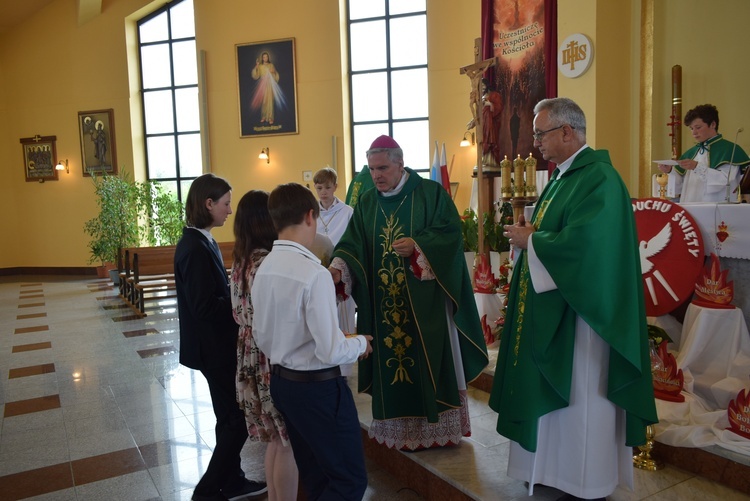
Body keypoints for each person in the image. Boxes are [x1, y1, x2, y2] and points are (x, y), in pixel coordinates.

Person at [489, 98, 658, 500]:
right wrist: (530, 239)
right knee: (558, 406)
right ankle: (550, 470)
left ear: (568, 132)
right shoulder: (564, 178)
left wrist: (534, 240)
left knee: (582, 398)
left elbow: (590, 247)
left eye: (540, 133)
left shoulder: (599, 178)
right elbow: (553, 237)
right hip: (558, 309)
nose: (535, 143)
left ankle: (584, 479)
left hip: (586, 320)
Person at [329, 135, 489, 451]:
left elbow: (450, 236)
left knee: (428, 361)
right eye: (372, 168)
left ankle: (438, 429)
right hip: (382, 307)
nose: (376, 175)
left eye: (383, 168)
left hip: (426, 305)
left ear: (400, 163)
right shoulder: (366, 203)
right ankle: (400, 432)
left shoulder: (431, 194)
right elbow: (352, 244)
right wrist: (339, 267)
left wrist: (419, 247)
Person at [252, 182, 373, 500]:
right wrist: (360, 342)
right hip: (317, 389)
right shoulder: (313, 274)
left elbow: (261, 336)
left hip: (282, 384)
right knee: (348, 480)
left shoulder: (263, 268)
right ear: (310, 216)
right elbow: (331, 349)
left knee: (316, 476)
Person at [174, 174, 267, 501]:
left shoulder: (201, 239)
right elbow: (203, 306)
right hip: (212, 349)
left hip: (214, 347)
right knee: (237, 420)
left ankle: (233, 479)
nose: (229, 210)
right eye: (225, 203)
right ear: (208, 204)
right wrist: (241, 299)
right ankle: (207, 490)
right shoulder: (194, 247)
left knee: (228, 418)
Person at [230, 190, 298, 501]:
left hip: (248, 353)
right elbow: (279, 312)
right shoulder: (267, 261)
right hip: (268, 353)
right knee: (286, 441)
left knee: (274, 439)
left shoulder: (241, 260)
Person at [658, 104, 750, 202]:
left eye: (698, 127)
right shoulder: (692, 152)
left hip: (716, 209)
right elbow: (679, 188)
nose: (694, 133)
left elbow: (724, 181)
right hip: (689, 210)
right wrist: (670, 171)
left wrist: (697, 167)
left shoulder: (730, 149)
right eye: (691, 128)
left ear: (713, 124)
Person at [313, 167, 357, 371]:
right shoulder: (311, 213)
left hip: (342, 271)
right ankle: (325, 364)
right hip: (317, 271)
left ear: (335, 187)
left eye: (328, 187)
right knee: (321, 317)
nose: (323, 192)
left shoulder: (347, 212)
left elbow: (354, 241)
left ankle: (345, 369)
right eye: (319, 187)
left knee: (344, 316)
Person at [468, 78, 503, 167]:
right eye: (481, 86)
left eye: (483, 86)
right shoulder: (481, 97)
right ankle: (484, 160)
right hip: (484, 123)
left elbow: (498, 108)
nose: (482, 88)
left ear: (487, 85)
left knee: (490, 139)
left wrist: (489, 104)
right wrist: (473, 121)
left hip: (491, 123)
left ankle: (491, 161)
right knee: (483, 139)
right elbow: (480, 112)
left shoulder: (494, 95)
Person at [251, 51, 285, 125]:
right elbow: (256, 75)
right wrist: (256, 67)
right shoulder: (260, 66)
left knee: (270, 101)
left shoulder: (271, 65)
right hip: (262, 85)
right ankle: (263, 116)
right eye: (264, 57)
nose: (265, 58)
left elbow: (276, 75)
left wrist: (274, 72)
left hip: (270, 84)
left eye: (266, 57)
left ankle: (270, 117)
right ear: (262, 58)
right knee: (264, 101)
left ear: (268, 57)